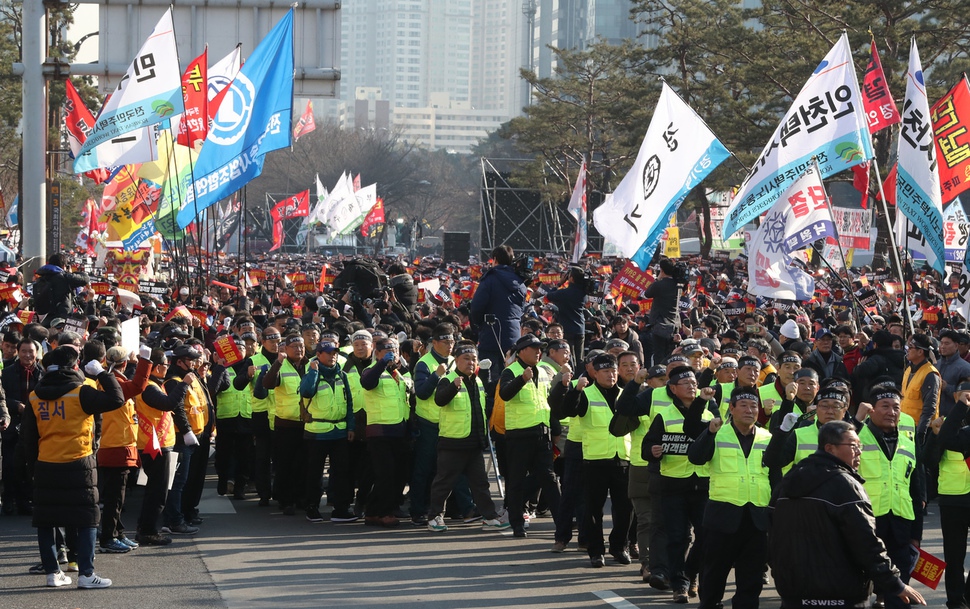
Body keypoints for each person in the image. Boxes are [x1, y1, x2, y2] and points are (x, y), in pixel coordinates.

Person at [770, 420, 925, 608]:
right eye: (853, 446)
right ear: (830, 448)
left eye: (860, 446)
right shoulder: (846, 486)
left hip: (794, 590)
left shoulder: (791, 479)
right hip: (840, 590)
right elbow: (866, 542)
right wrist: (895, 583)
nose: (859, 452)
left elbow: (770, 533)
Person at [20, 345, 125, 589]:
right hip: (79, 462)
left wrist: (32, 468)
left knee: (46, 520)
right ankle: (86, 574)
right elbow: (116, 398)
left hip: (46, 463)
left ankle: (52, 573)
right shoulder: (81, 392)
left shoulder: (35, 396)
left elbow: (28, 437)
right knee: (87, 518)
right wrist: (101, 373)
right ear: (74, 366)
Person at [687, 387, 771, 609]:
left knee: (752, 575)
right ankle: (710, 603)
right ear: (731, 408)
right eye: (743, 405)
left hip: (757, 516)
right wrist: (710, 433)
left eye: (754, 406)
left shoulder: (766, 437)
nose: (749, 410)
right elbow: (696, 457)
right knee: (714, 571)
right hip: (723, 515)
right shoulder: (717, 432)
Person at [427, 341, 509, 532]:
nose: (471, 363)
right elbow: (439, 400)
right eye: (466, 359)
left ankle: (489, 517)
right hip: (453, 442)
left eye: (474, 359)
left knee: (481, 483)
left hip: (474, 443)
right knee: (444, 483)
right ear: (456, 360)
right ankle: (434, 517)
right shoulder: (448, 379)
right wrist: (453, 387)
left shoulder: (478, 381)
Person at [560, 352, 633, 568]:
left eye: (613, 371)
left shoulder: (624, 394)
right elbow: (568, 410)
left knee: (625, 508)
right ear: (595, 373)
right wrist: (575, 390)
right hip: (595, 459)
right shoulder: (586, 393)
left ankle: (619, 546)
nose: (611, 375)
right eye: (605, 371)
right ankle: (596, 550)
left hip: (622, 458)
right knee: (593, 510)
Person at [857, 384, 924, 609]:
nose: (891, 412)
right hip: (865, 523)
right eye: (884, 406)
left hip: (900, 523)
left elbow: (916, 490)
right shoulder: (856, 436)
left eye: (896, 407)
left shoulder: (908, 442)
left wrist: (917, 533)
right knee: (860, 585)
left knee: (900, 588)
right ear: (871, 409)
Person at [498, 333, 562, 538]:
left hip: (541, 434)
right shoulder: (510, 371)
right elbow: (505, 394)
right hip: (519, 435)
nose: (538, 352)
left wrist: (555, 431)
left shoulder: (543, 372)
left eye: (540, 349)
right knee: (515, 480)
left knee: (549, 479)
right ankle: (516, 523)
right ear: (522, 351)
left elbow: (546, 403)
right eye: (534, 349)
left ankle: (562, 522)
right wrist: (521, 379)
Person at [299, 339, 357, 523]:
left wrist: (351, 426)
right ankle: (312, 507)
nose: (333, 356)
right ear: (318, 355)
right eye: (329, 352)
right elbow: (306, 392)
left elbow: (349, 403)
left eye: (335, 353)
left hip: (339, 431)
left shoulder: (342, 376)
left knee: (341, 472)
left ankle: (341, 509)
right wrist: (314, 371)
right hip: (317, 432)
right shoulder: (310, 374)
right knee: (314, 473)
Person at [359, 337, 411, 527]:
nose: (392, 352)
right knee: (385, 474)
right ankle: (385, 512)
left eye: (395, 349)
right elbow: (367, 382)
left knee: (396, 474)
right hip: (379, 430)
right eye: (387, 349)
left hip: (398, 429)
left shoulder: (397, 373)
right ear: (377, 352)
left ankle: (372, 512)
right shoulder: (371, 370)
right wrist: (381, 363)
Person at [262, 334, 309, 515]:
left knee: (303, 464)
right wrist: (278, 363)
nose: (298, 349)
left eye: (301, 346)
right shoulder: (281, 365)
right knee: (285, 465)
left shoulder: (310, 364)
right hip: (286, 425)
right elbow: (267, 383)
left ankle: (301, 498)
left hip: (307, 424)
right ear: (286, 349)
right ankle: (285, 500)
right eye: (294, 346)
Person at [470, 244, 528, 388]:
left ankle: (490, 408)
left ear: (494, 259)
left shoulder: (489, 279)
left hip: (491, 335)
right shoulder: (520, 282)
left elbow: (476, 308)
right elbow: (521, 309)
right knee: (510, 380)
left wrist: (477, 327)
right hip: (513, 338)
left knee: (488, 381)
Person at [934, 382, 970, 609]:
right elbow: (946, 442)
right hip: (954, 499)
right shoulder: (949, 424)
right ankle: (956, 601)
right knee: (954, 558)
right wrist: (960, 409)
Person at [543, 266, 588, 365]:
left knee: (569, 358)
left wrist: (559, 283)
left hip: (567, 329)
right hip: (580, 328)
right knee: (580, 359)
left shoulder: (564, 293)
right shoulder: (583, 293)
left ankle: (571, 378)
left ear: (571, 278)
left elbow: (549, 295)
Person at [32, 252, 90, 327]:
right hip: (62, 318)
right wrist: (69, 273)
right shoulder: (64, 277)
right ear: (64, 266)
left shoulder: (40, 278)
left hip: (44, 319)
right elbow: (85, 279)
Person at [643, 259, 682, 366]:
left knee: (659, 355)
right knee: (671, 354)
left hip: (660, 325)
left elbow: (647, 293)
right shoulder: (677, 285)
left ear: (661, 270)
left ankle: (659, 377)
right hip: (674, 324)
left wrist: (657, 279)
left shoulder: (659, 284)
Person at [902, 334, 941, 433]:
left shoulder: (930, 374)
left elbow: (929, 408)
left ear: (920, 352)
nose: (908, 350)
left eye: (911, 347)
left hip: (921, 429)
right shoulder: (909, 369)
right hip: (905, 426)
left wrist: (921, 432)